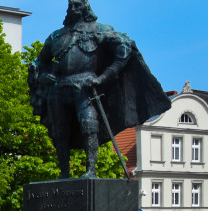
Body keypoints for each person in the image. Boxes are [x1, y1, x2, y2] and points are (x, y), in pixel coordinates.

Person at [28, 0, 170, 179]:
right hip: (59, 87)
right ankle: (64, 173)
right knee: (59, 131)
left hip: (85, 86)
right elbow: (39, 63)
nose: (73, 9)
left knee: (89, 125)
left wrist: (102, 77)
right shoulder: (56, 36)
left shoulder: (99, 29)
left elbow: (124, 49)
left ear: (86, 7)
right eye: (71, 5)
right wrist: (42, 76)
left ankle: (91, 171)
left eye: (78, 5)